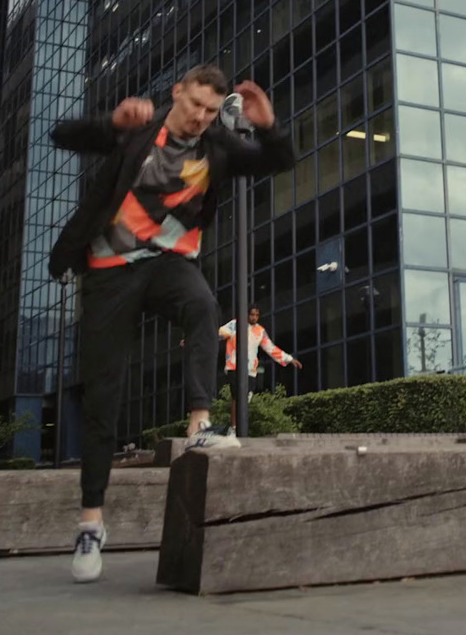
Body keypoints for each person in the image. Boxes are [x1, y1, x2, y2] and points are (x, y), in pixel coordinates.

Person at [46, 64, 295, 584]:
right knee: (103, 398)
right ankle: (91, 522)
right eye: (193, 107)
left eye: (210, 111)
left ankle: (199, 422)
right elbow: (62, 135)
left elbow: (278, 161)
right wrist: (113, 122)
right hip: (109, 271)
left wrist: (268, 125)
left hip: (168, 264)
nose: (200, 119)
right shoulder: (139, 129)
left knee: (203, 305)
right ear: (177, 93)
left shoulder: (219, 148)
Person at [218, 306, 301, 430]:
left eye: (257, 315)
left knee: (247, 397)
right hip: (234, 366)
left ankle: (240, 425)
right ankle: (234, 426)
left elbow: (270, 348)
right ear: (246, 314)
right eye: (252, 315)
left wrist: (289, 359)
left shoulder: (260, 331)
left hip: (250, 369)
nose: (254, 318)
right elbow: (215, 335)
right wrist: (194, 340)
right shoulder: (235, 325)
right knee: (236, 396)